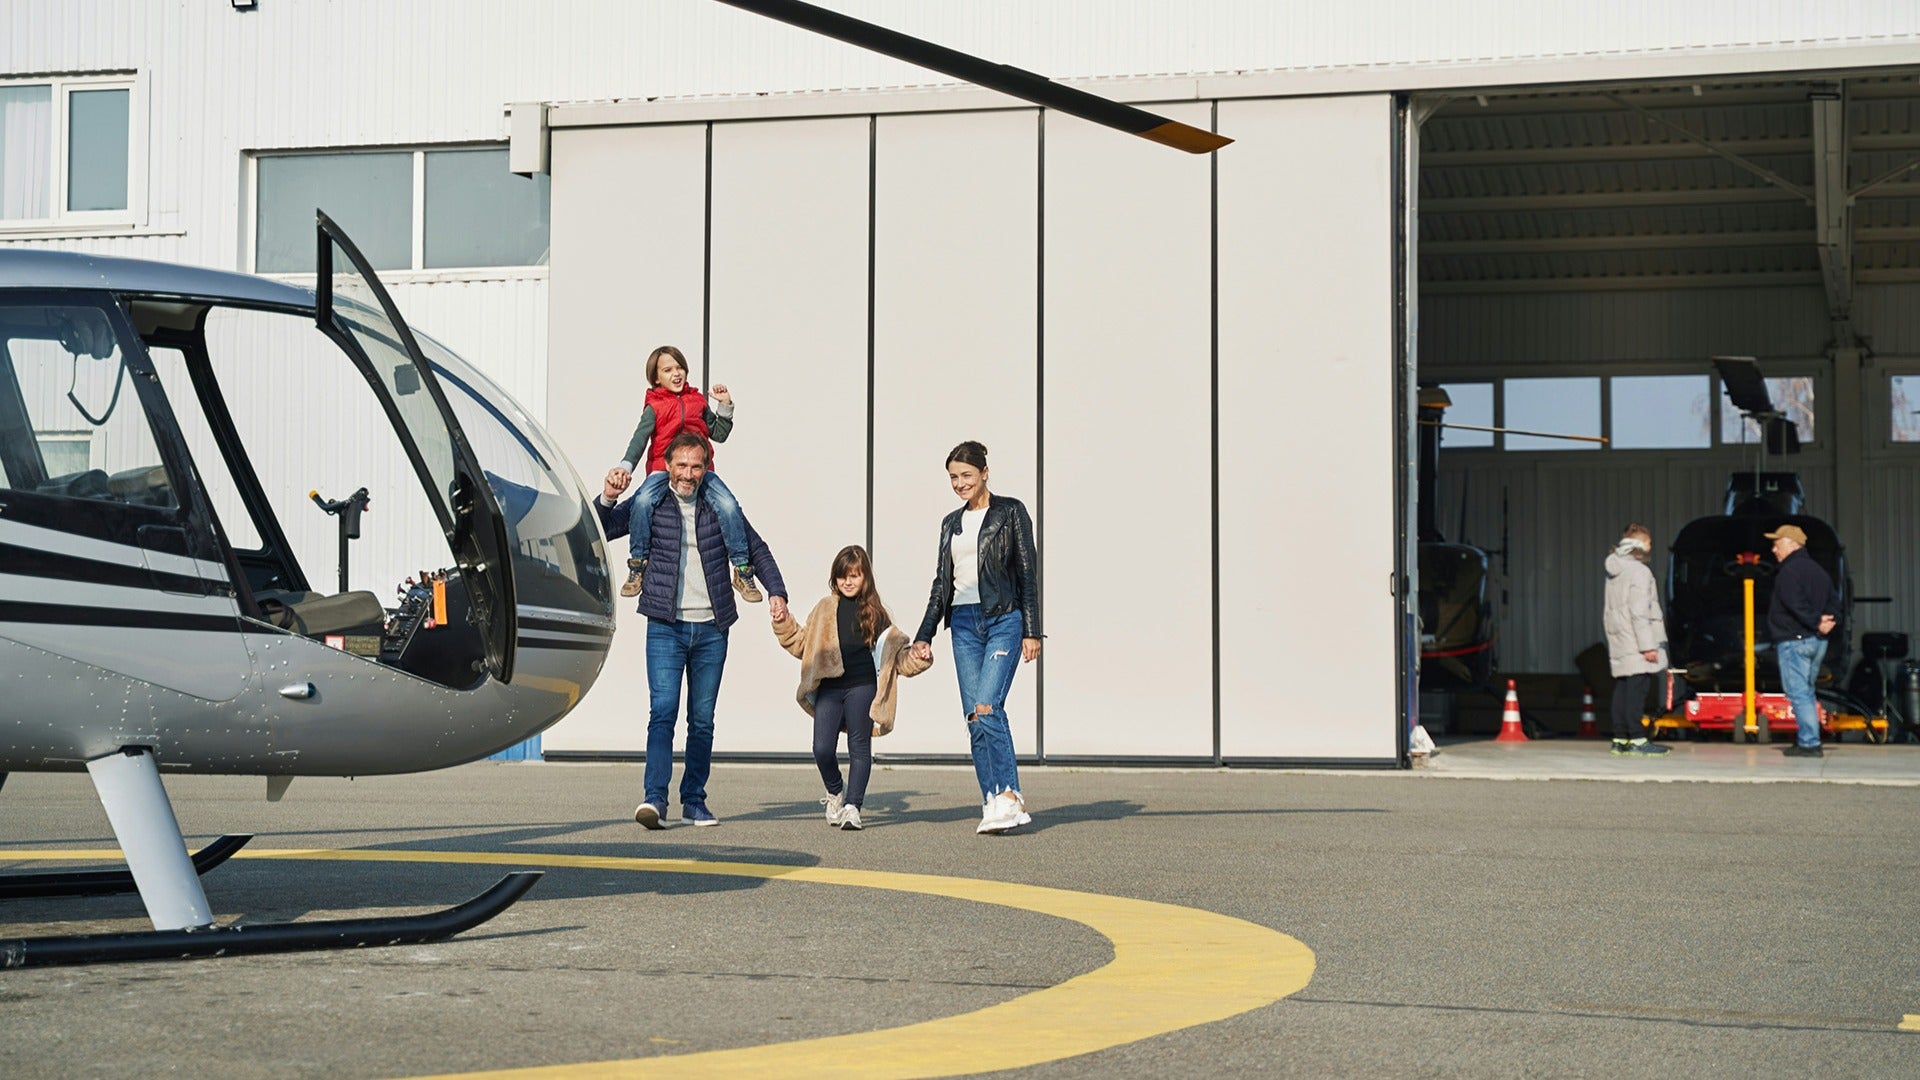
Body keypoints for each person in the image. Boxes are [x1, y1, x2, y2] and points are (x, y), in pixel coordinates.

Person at [596, 430, 788, 828]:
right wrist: (609, 497)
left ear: (706, 469)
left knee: (702, 719)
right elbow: (604, 528)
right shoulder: (652, 505)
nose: (688, 474)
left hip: (712, 628)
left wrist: (777, 592)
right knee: (662, 712)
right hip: (665, 625)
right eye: (681, 465)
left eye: (696, 466)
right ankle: (654, 800)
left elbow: (758, 548)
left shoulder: (720, 507)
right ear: (667, 466)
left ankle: (694, 800)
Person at [910, 441, 1042, 835]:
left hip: (1004, 619)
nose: (959, 483)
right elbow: (941, 584)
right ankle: (992, 799)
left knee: (987, 706)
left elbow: (1027, 573)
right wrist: (924, 634)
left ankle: (1011, 797)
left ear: (984, 472)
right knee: (973, 718)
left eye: (966, 475)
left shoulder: (1011, 512)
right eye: (953, 477)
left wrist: (1032, 630)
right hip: (964, 625)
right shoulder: (951, 523)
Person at [772, 545, 932, 831]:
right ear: (835, 577)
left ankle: (853, 807)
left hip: (863, 686)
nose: (848, 581)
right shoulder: (824, 609)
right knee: (822, 749)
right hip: (830, 688)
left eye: (855, 576)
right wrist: (783, 623)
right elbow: (802, 643)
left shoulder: (877, 614)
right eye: (843, 575)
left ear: (865, 578)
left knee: (859, 747)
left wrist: (918, 657)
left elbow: (898, 659)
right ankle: (835, 791)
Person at [605, 345, 761, 604]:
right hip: (661, 469)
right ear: (656, 378)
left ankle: (742, 569)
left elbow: (718, 434)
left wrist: (725, 406)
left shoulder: (697, 401)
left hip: (700, 469)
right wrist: (626, 465)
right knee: (642, 503)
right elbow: (639, 439)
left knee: (729, 505)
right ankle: (637, 565)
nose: (676, 374)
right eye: (667, 370)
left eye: (679, 368)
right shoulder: (654, 406)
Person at [1765, 523, 1839, 757]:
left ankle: (1809, 743)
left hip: (1795, 641)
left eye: (1776, 544)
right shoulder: (1819, 571)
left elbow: (1795, 604)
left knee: (1799, 693)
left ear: (1791, 543)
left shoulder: (1788, 572)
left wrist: (1816, 621)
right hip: (1817, 642)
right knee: (1807, 691)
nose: (1773, 550)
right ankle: (1808, 738)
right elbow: (1835, 603)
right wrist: (1829, 622)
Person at [1602, 523, 1672, 757]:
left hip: (1621, 639)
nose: (1652, 547)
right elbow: (1640, 611)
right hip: (1637, 640)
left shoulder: (1615, 570)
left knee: (1622, 688)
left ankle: (1620, 738)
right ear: (1641, 545)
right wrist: (1648, 646)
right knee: (1637, 690)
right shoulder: (1639, 572)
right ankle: (1638, 739)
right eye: (1650, 542)